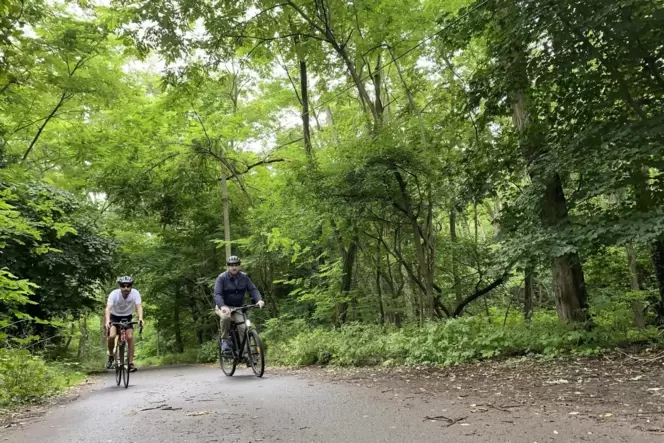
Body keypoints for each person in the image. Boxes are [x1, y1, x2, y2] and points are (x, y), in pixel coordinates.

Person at [214, 256, 264, 360]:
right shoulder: (221, 278)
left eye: (236, 265)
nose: (234, 267)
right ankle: (225, 340)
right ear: (228, 267)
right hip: (223, 306)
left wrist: (259, 300)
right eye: (231, 265)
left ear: (239, 266)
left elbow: (253, 290)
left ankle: (247, 355)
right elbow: (217, 294)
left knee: (244, 328)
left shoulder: (244, 277)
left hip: (237, 308)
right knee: (226, 317)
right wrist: (222, 306)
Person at [105, 276, 144, 372]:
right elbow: (108, 308)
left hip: (127, 317)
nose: (126, 288)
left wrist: (140, 318)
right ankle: (111, 355)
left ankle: (130, 363)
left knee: (130, 337)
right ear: (120, 286)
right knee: (112, 336)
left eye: (128, 286)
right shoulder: (114, 294)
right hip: (114, 316)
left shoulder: (135, 293)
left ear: (131, 286)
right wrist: (107, 320)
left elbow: (139, 307)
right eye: (123, 286)